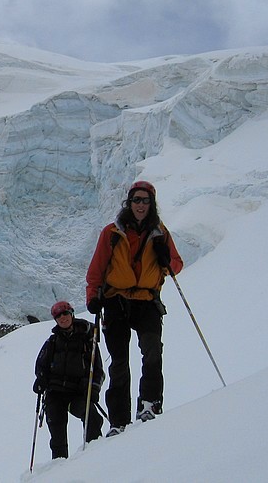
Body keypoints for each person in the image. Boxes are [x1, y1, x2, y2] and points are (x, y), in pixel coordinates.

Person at [85, 180, 183, 436]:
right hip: (115, 300)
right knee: (119, 361)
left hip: (147, 300)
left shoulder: (161, 233)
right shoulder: (112, 232)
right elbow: (97, 269)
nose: (140, 205)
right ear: (129, 203)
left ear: (152, 204)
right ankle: (119, 420)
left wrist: (165, 257)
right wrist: (92, 297)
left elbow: (176, 265)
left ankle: (149, 404)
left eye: (145, 200)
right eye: (136, 200)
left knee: (152, 352)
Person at [33, 301, 104, 459]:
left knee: (92, 417)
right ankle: (60, 468)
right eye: (58, 316)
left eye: (65, 313)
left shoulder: (87, 340)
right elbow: (41, 365)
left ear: (72, 314)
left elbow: (97, 369)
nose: (63, 318)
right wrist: (41, 381)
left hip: (77, 393)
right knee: (57, 434)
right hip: (55, 394)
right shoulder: (52, 342)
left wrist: (93, 389)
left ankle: (94, 457)